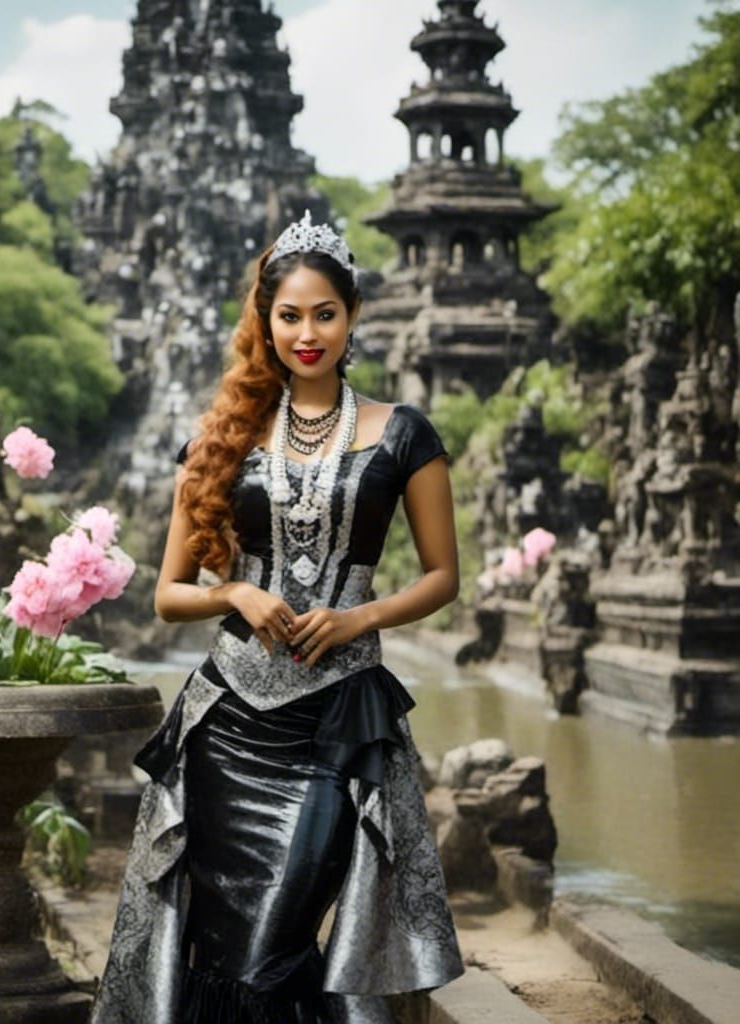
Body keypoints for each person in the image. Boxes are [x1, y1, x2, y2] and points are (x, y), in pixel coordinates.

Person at [90, 210, 466, 1024]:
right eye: (289, 315)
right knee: (223, 954)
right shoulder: (224, 438)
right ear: (265, 322)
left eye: (324, 314)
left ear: (353, 314)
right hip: (227, 723)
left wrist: (359, 617)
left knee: (271, 949)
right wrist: (235, 593)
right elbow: (168, 596)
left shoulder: (404, 433)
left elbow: (444, 577)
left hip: (336, 722)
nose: (307, 333)